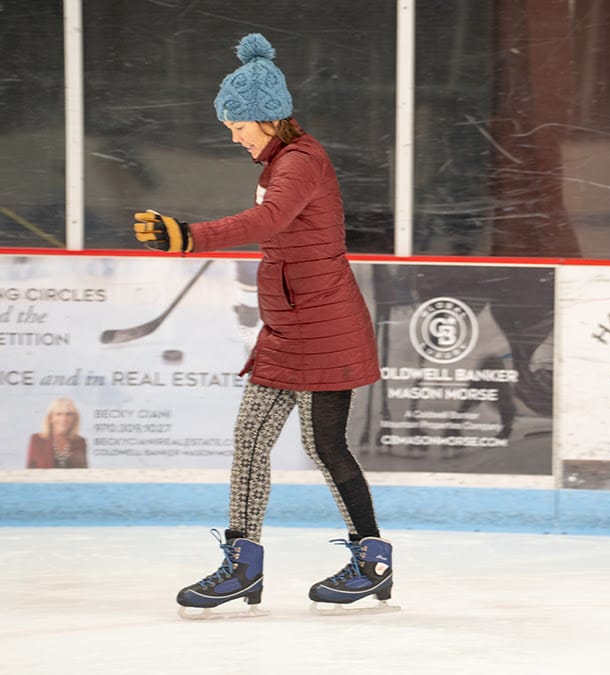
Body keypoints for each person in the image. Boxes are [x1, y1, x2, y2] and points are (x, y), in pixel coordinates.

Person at [133, 33, 391, 616]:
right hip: (284, 328)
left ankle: (373, 560)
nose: (233, 135)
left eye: (238, 124)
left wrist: (189, 237)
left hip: (325, 327)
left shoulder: (301, 161)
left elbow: (269, 220)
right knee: (249, 442)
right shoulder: (278, 161)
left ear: (268, 117)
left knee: (324, 446)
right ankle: (243, 565)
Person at [26, 397, 88, 469]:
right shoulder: (37, 440)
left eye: (68, 414)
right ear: (50, 418)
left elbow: (84, 472)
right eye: (58, 414)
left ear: (74, 418)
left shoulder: (80, 442)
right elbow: (29, 472)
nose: (63, 419)